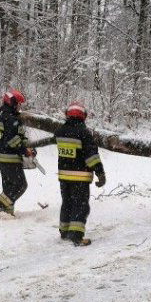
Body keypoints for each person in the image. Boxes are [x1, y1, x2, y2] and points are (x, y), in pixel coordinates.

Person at [55, 102, 106, 246]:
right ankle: (76, 236)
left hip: (64, 176)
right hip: (80, 177)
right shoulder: (84, 133)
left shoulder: (60, 131)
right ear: (83, 116)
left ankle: (64, 231)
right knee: (80, 205)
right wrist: (100, 173)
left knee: (67, 203)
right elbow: (91, 157)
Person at [0, 89, 34, 215]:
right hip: (9, 158)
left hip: (2, 157)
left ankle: (6, 213)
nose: (20, 107)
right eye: (19, 104)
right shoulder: (10, 118)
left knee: (9, 188)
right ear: (13, 103)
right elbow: (12, 140)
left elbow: (19, 137)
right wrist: (25, 151)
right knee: (20, 185)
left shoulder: (6, 116)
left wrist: (30, 148)